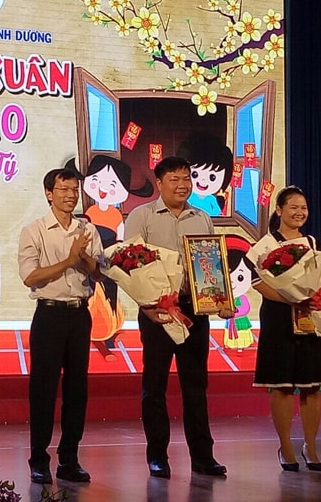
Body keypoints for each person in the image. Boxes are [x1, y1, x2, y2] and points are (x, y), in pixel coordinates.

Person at [123, 156, 233, 479]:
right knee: (154, 385)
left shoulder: (202, 217)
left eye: (186, 178)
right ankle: (157, 455)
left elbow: (212, 263)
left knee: (196, 385)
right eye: (174, 179)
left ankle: (203, 456)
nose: (183, 185)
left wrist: (220, 300)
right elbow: (128, 264)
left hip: (194, 310)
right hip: (157, 310)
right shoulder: (142, 216)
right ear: (159, 183)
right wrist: (146, 307)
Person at [17, 167, 104, 484]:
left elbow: (99, 273)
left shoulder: (87, 230)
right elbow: (30, 276)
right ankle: (39, 460)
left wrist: (84, 258)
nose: (70, 195)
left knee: (77, 389)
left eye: (74, 190)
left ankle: (69, 460)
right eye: (63, 189)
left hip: (79, 315)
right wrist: (68, 260)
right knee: (43, 389)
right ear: (48, 193)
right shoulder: (34, 231)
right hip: (49, 315)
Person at [250, 186, 321, 471]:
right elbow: (256, 282)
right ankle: (286, 446)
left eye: (304, 208)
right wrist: (289, 297)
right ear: (279, 210)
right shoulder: (265, 246)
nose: (299, 212)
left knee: (312, 385)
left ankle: (310, 446)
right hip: (279, 319)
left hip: (312, 317)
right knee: (283, 385)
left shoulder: (313, 242)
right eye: (293, 207)